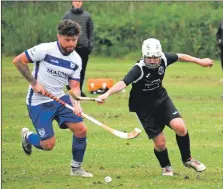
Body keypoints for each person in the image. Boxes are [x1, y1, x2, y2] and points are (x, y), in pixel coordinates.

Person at [97, 38, 214, 176]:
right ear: (143, 56)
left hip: (161, 100)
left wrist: (199, 61)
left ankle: (188, 159)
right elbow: (123, 83)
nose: (152, 61)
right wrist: (107, 94)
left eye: (155, 57)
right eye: (149, 58)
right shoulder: (138, 69)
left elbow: (180, 56)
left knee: (180, 127)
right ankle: (166, 167)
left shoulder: (164, 59)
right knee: (160, 144)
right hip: (143, 107)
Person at [13, 19, 93, 178]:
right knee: (48, 145)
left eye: (74, 40)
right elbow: (18, 61)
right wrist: (34, 83)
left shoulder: (76, 60)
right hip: (38, 101)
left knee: (81, 130)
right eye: (67, 40)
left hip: (60, 99)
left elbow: (74, 86)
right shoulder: (45, 49)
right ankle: (27, 136)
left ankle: (76, 169)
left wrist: (77, 104)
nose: (71, 43)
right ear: (59, 37)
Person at [62, 0, 94, 97]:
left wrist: (90, 45)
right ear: (72, 2)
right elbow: (61, 30)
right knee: (69, 69)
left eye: (79, 1)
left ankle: (78, 90)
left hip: (83, 47)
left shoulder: (87, 16)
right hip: (70, 48)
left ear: (82, 3)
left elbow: (91, 31)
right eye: (76, 1)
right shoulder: (67, 16)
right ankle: (70, 88)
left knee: (82, 70)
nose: (77, 3)